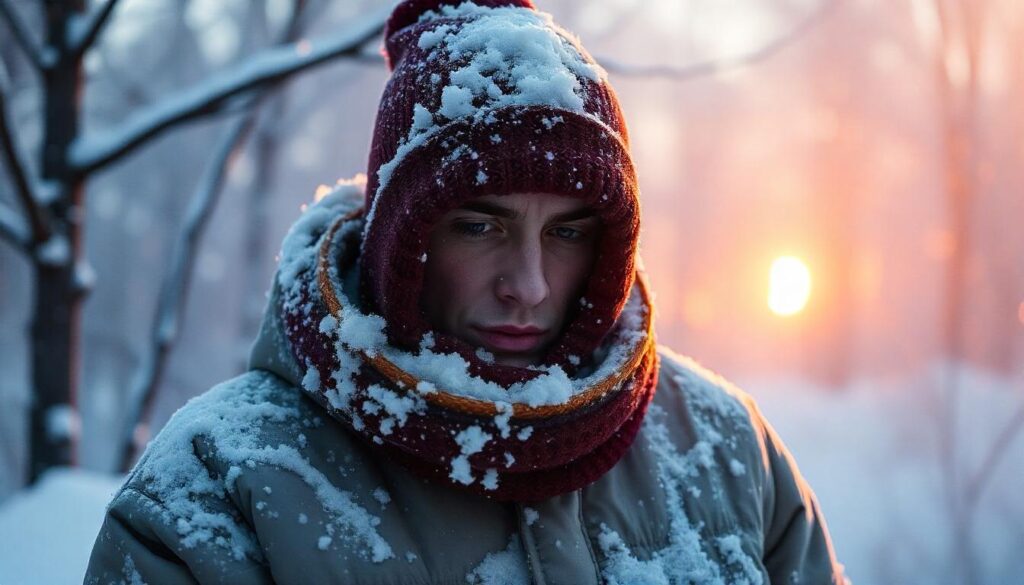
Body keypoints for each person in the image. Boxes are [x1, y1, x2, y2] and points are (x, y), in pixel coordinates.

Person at [86, 1, 849, 583]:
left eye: (569, 232)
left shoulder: (725, 447)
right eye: (481, 227)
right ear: (401, 244)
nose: (529, 284)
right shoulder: (219, 487)